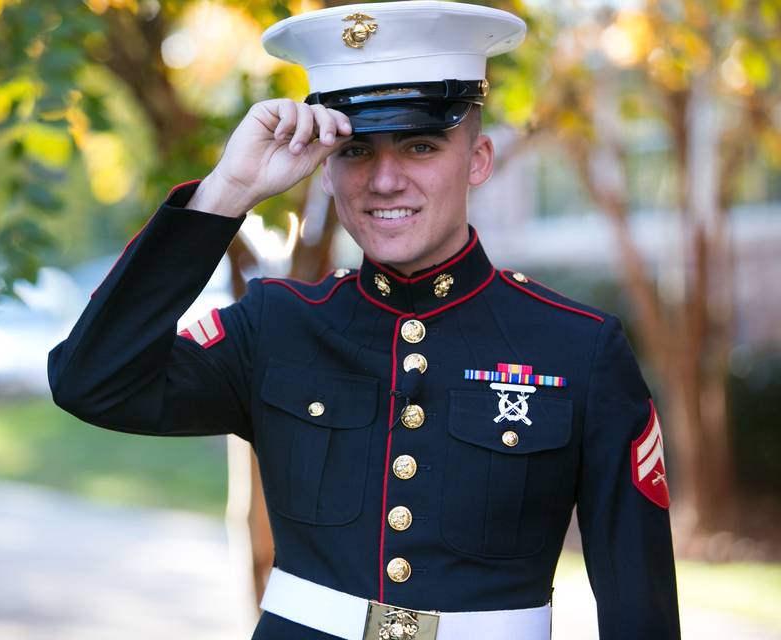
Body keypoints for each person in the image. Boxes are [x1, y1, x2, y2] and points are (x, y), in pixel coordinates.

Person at [48, 2, 680, 638]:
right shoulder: (277, 326)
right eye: (354, 150)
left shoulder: (578, 348)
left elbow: (639, 607)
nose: (384, 180)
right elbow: (92, 381)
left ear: (479, 158)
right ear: (325, 166)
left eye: (421, 145)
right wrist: (226, 191)